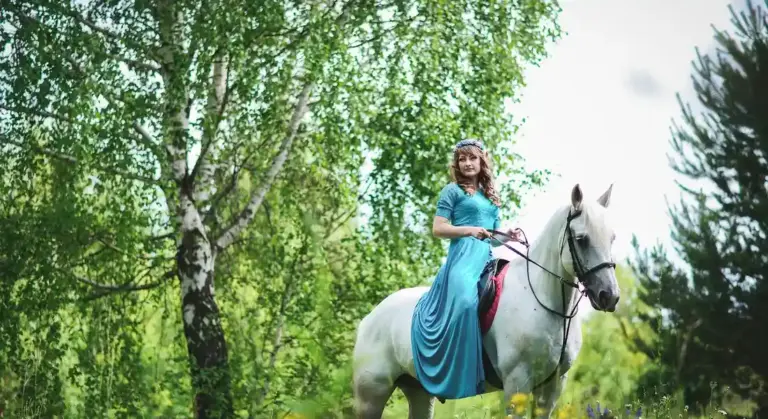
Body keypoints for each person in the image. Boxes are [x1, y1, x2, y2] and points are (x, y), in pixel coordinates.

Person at [410, 138, 522, 400]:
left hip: (486, 259)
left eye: (472, 158)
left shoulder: (491, 196)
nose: (467, 163)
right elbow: (438, 228)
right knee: (463, 302)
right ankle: (451, 364)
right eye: (462, 159)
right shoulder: (452, 191)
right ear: (457, 164)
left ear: (482, 160)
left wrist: (507, 235)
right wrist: (469, 230)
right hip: (461, 260)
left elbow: (491, 238)